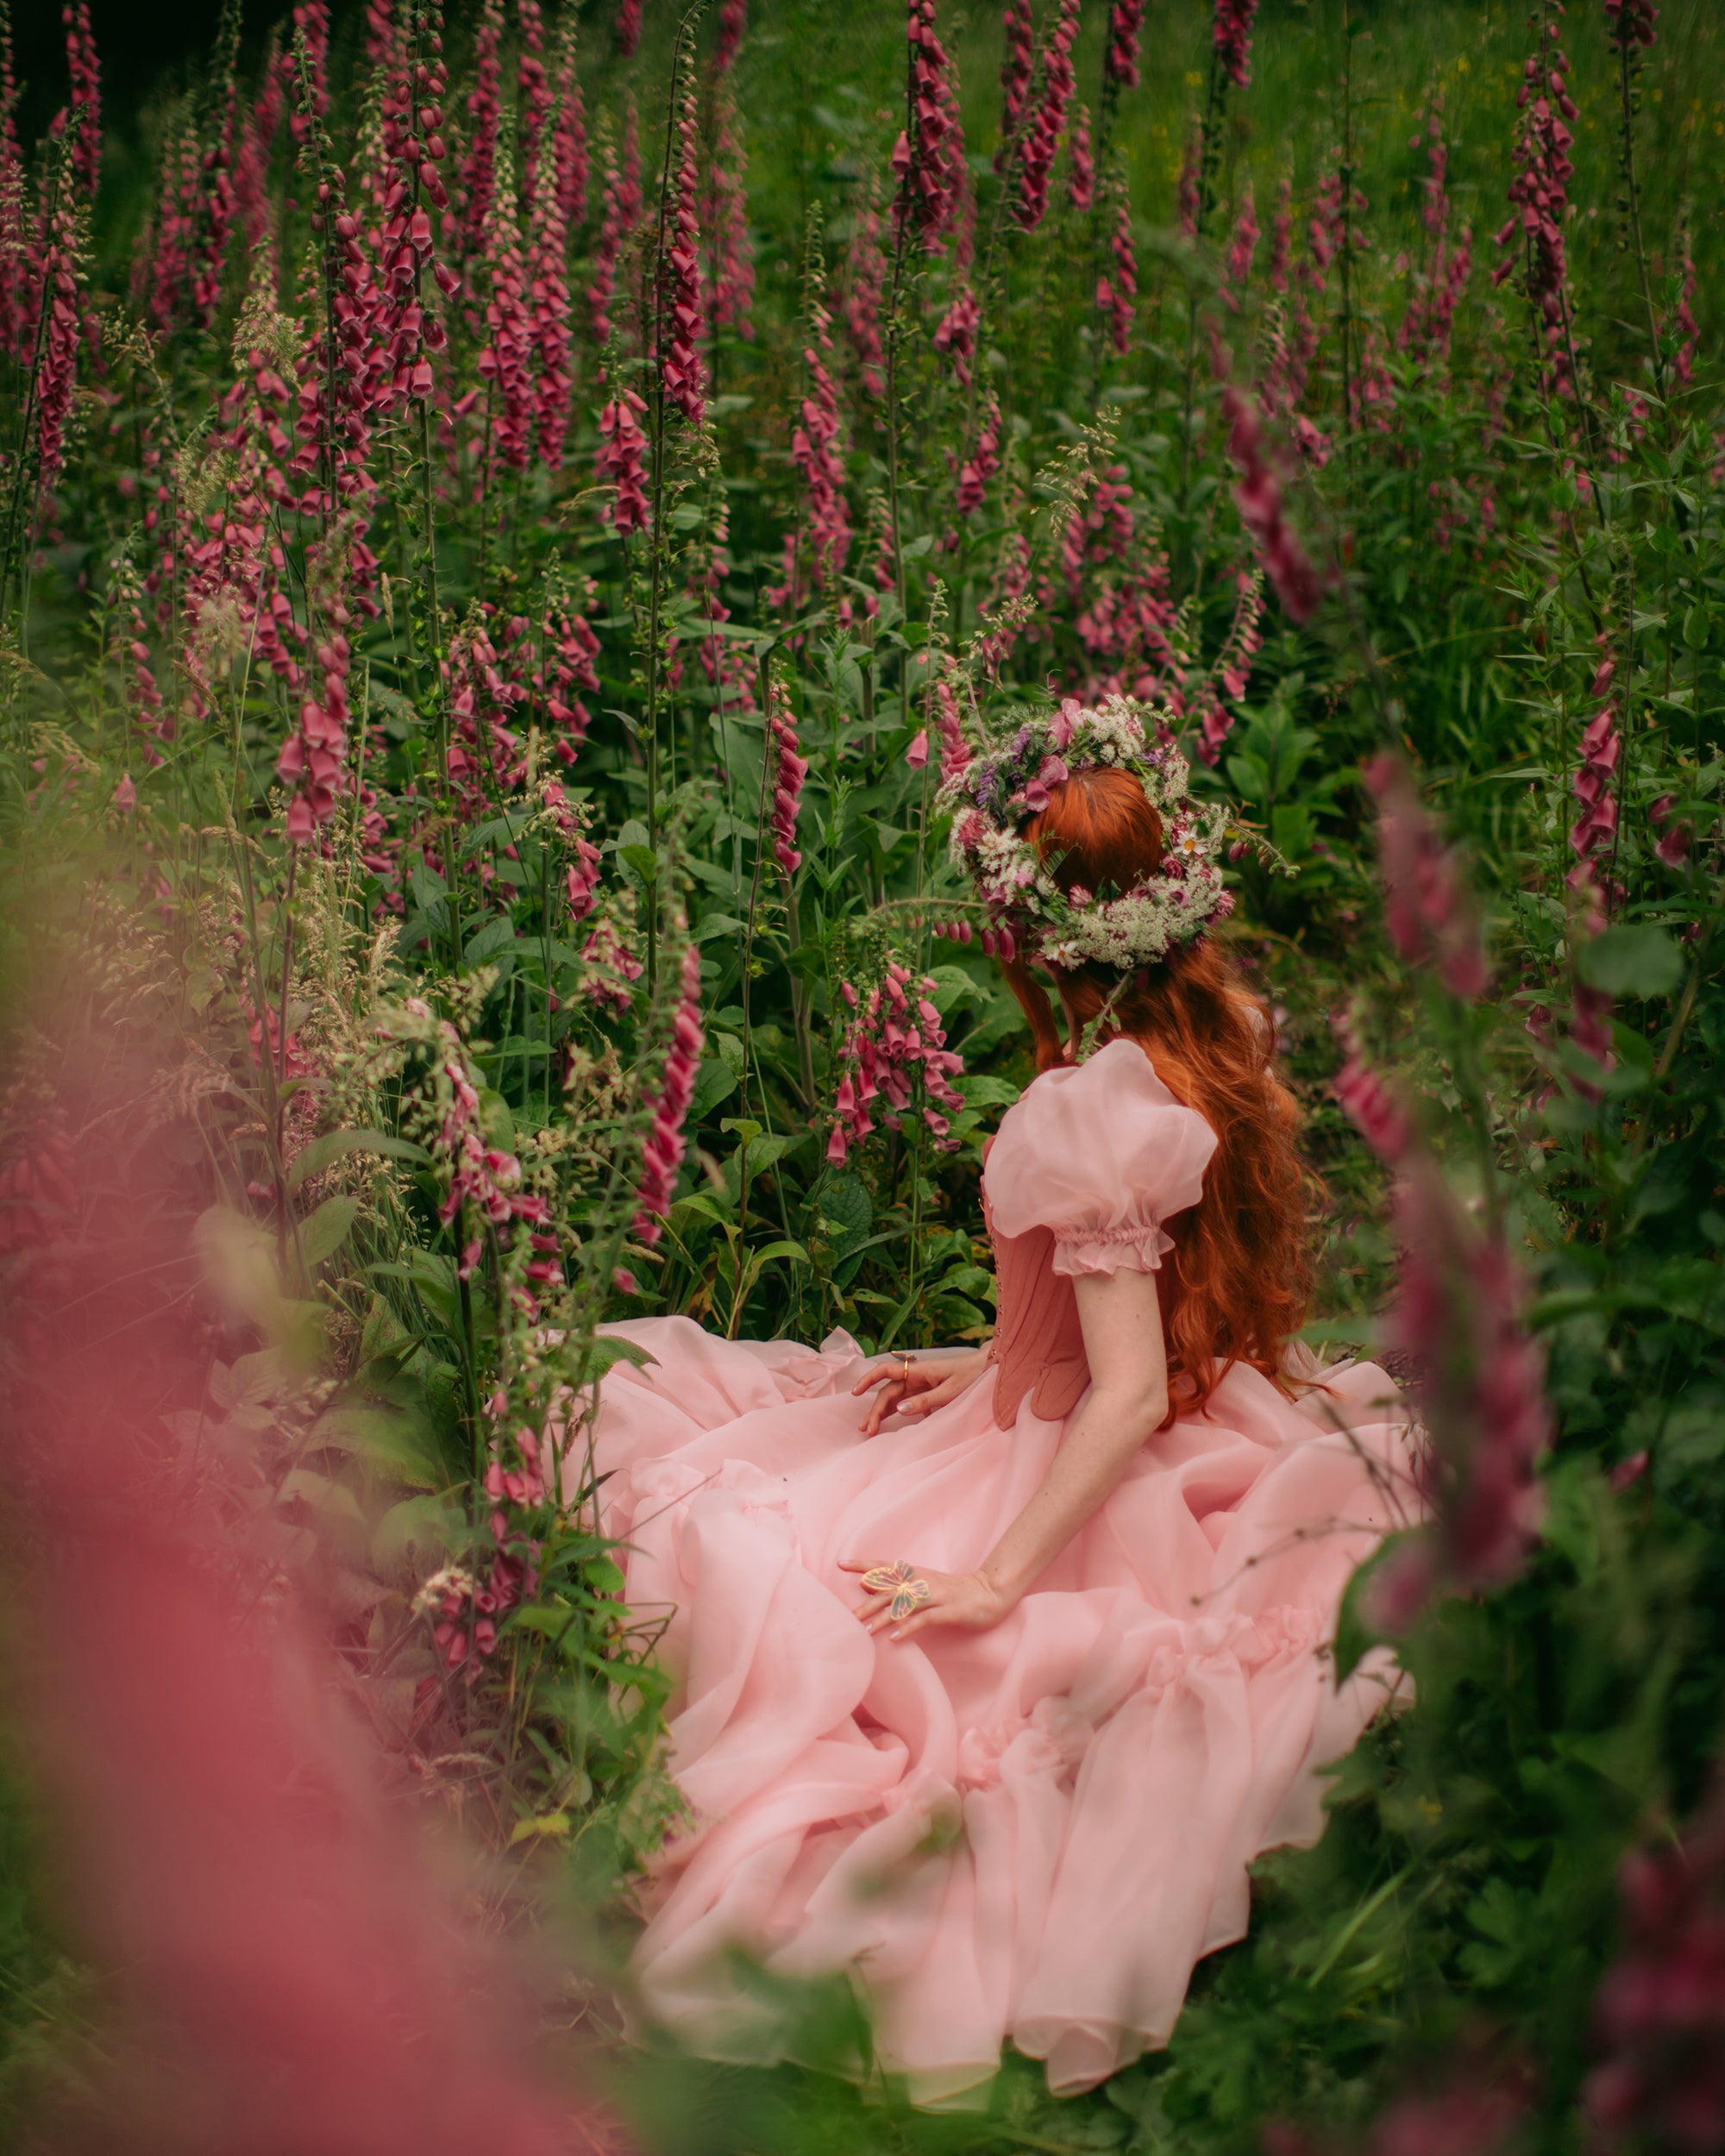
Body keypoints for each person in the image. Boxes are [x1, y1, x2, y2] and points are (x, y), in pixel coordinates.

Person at [574, 694, 1416, 2103]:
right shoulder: (1205, 1035)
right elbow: (1127, 1317)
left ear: (1037, 934)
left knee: (753, 1563)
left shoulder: (1087, 1104)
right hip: (1096, 1400)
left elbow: (1130, 1387)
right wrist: (988, 1359)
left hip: (1079, 1447)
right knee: (747, 1491)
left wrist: (997, 1577)